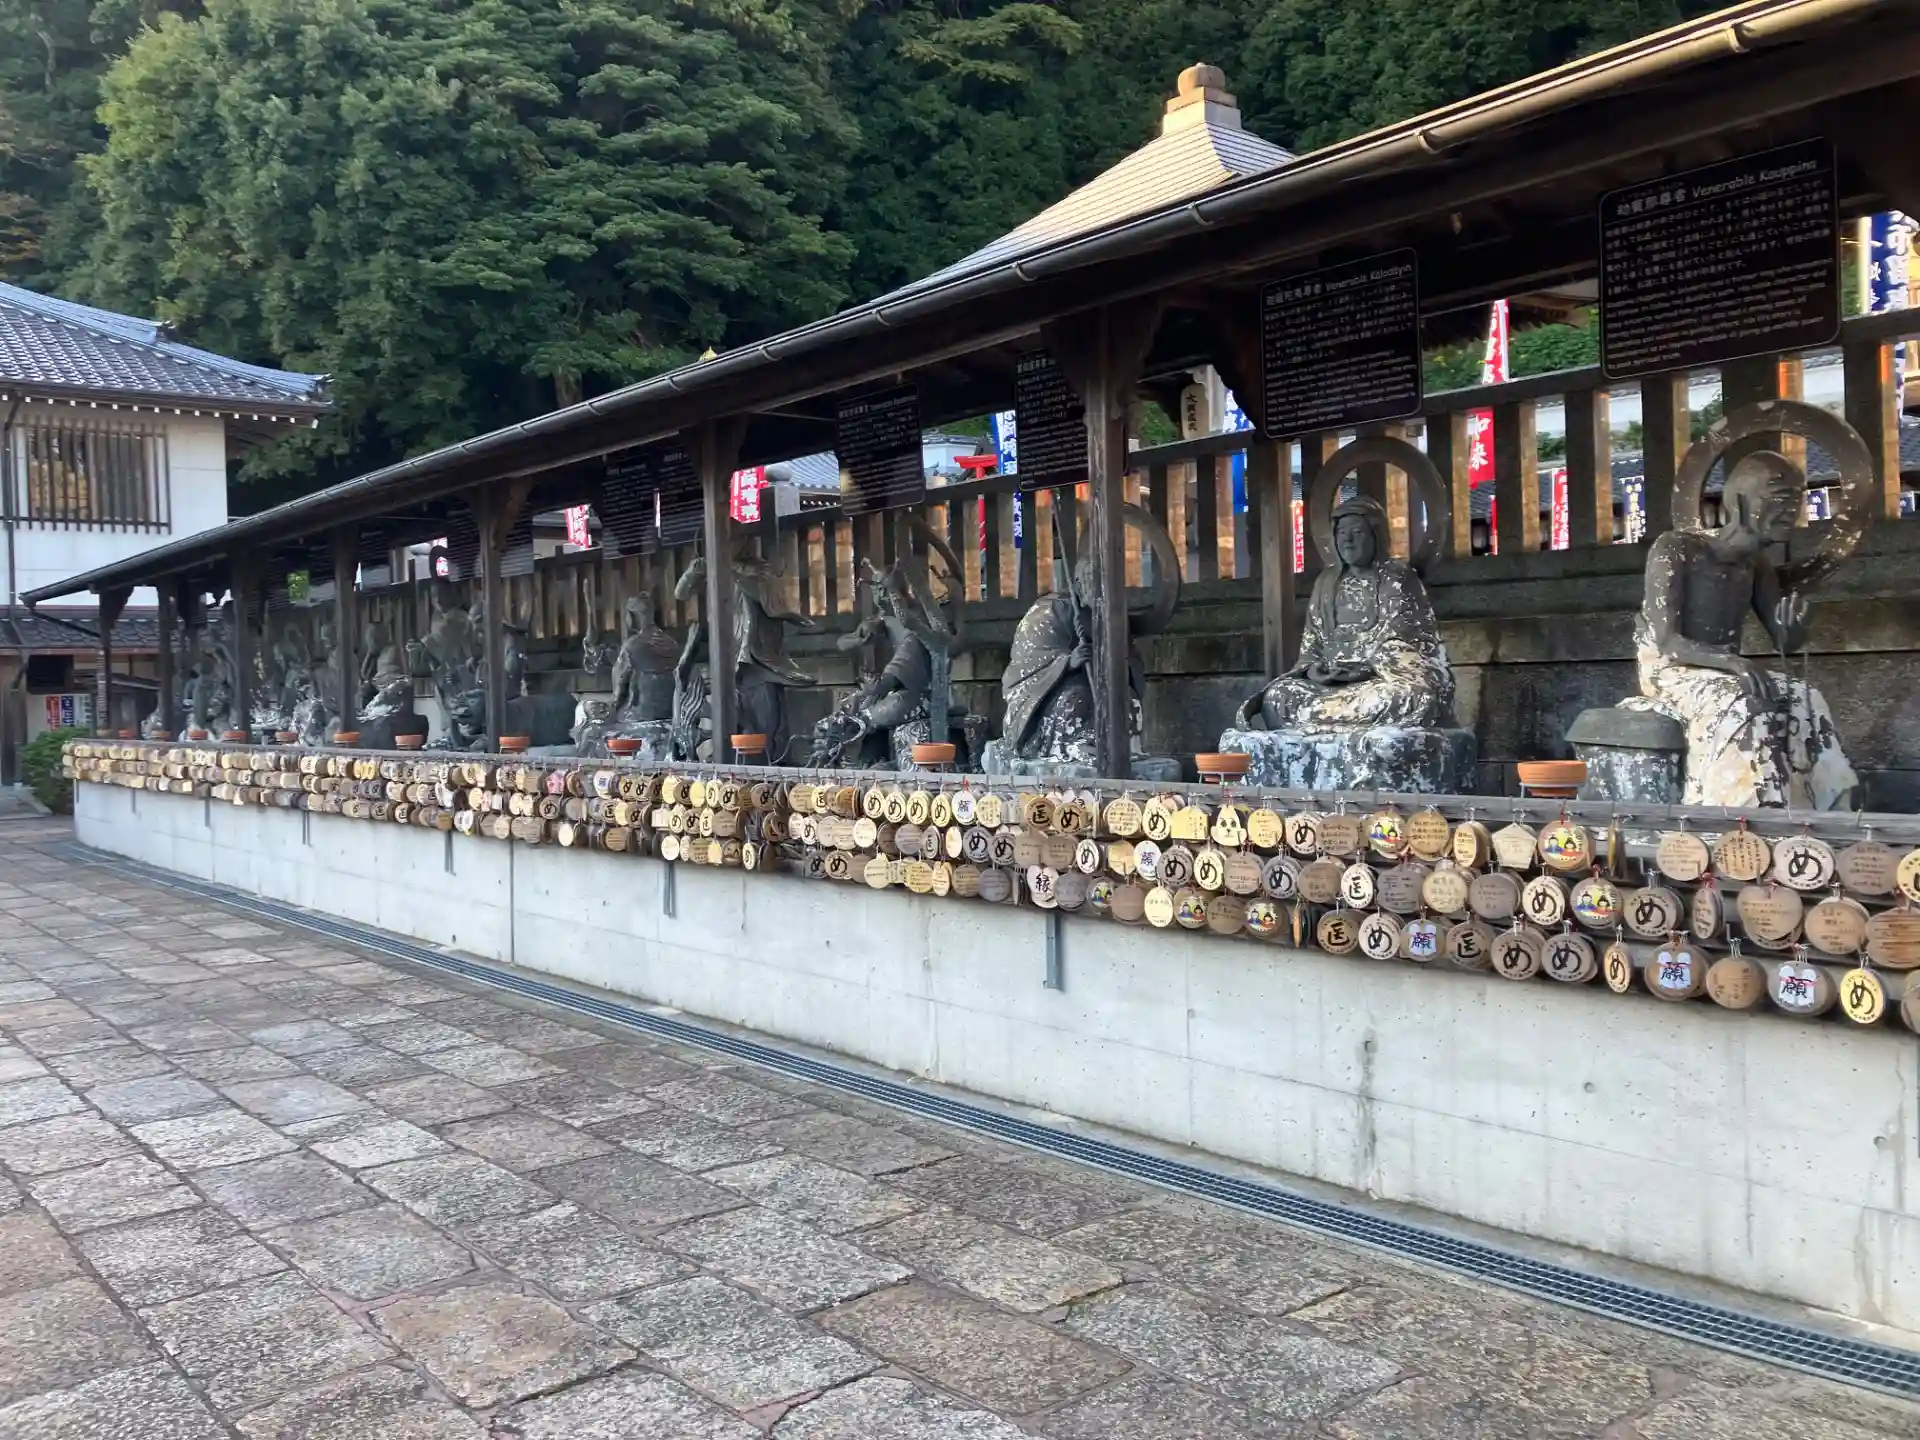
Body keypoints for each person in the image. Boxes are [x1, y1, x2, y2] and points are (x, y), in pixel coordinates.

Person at [1628, 453, 1856, 808]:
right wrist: (1733, 662)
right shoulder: (1676, 548)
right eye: (1779, 498)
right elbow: (1669, 642)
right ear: (1739, 502)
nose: (1790, 510)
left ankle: (1829, 808)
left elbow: (1783, 641)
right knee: (1742, 700)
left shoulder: (1756, 565)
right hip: (1671, 669)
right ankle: (1739, 811)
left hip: (1726, 669)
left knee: (1803, 696)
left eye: (1795, 500)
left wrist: (1795, 629)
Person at [1235, 494, 1454, 731]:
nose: (1347, 540)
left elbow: (1409, 644)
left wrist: (1366, 668)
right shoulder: (1326, 583)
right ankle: (1347, 727)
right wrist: (1315, 669)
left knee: (1412, 696)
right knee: (1278, 697)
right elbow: (1312, 646)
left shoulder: (1397, 578)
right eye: (1341, 533)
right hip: (1329, 685)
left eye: (1357, 532)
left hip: (1378, 681)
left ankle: (1327, 727)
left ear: (1376, 535)